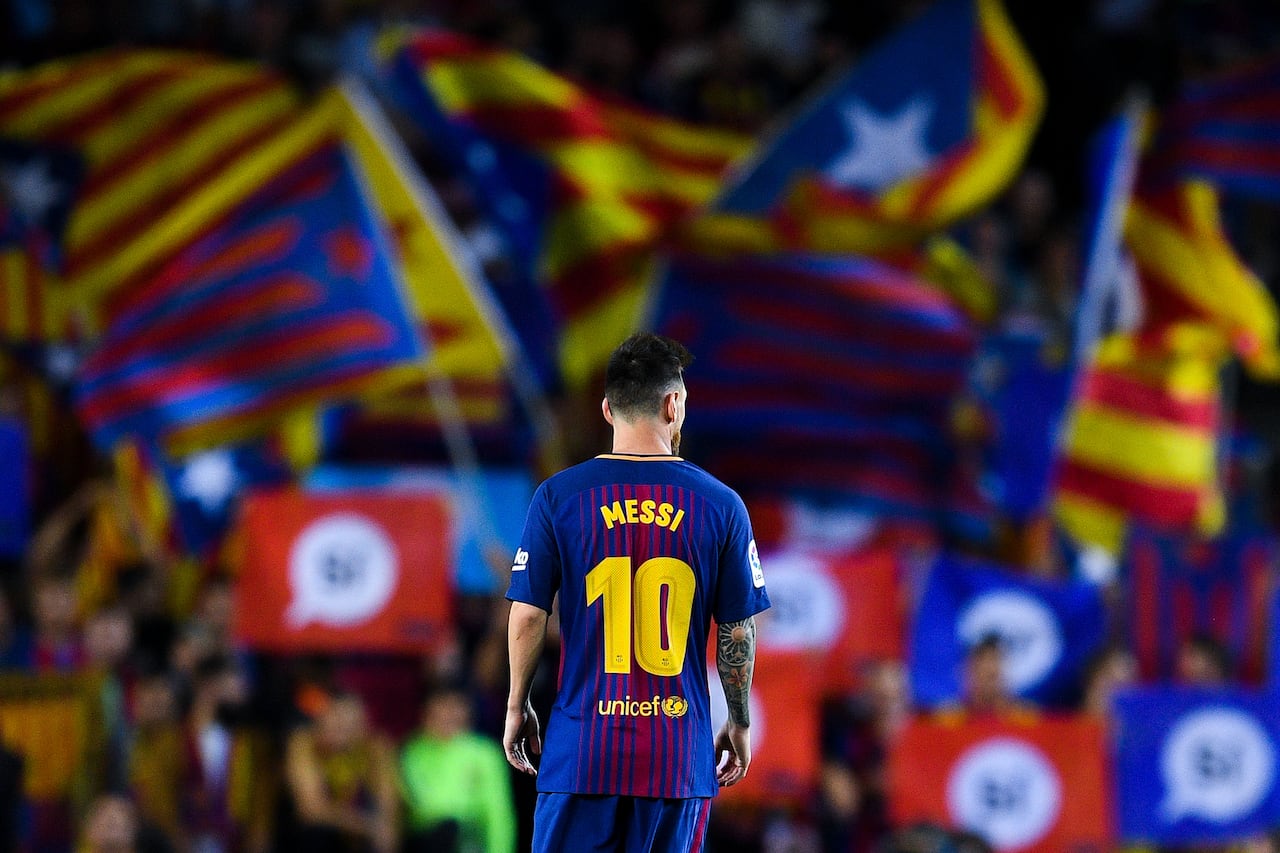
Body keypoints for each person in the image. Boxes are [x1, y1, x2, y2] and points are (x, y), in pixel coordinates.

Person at [504, 332, 772, 851]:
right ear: (674, 405)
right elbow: (738, 627)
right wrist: (737, 720)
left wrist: (518, 706)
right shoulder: (722, 505)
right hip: (676, 760)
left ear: (607, 409)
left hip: (581, 753)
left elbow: (528, 615)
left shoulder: (558, 497)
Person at [400, 683, 516, 853]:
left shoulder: (486, 753)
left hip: (471, 837)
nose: (449, 715)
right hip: (427, 838)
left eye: (456, 707)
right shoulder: (413, 752)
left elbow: (498, 814)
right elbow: (423, 807)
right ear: (426, 713)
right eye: (442, 707)